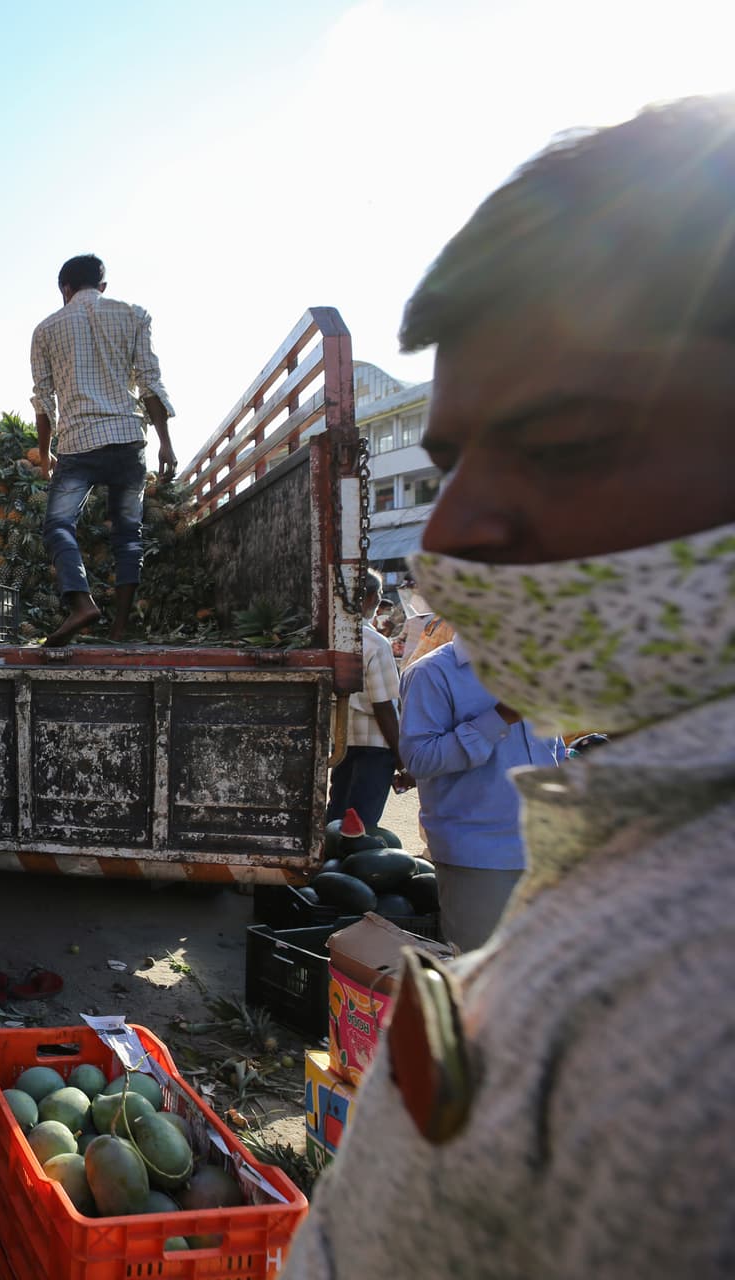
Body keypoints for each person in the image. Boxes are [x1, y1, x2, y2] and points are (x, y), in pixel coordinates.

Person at [280, 95, 735, 1280]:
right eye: (448, 463)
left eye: (571, 442)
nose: (459, 529)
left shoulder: (697, 1008)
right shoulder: (638, 828)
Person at [31, 254, 178, 645]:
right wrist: (165, 444)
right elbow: (150, 384)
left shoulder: (46, 329)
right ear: (103, 287)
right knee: (129, 534)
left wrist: (45, 455)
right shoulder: (134, 314)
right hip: (130, 441)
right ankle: (119, 628)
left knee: (59, 525)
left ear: (65, 289)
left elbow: (43, 402)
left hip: (79, 444)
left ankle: (82, 603)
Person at [396, 638, 563, 948]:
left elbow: (551, 748)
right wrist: (498, 719)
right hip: (478, 855)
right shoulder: (432, 672)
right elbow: (420, 759)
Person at [324, 570, 401, 831]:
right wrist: (404, 758)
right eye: (378, 596)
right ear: (369, 598)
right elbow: (385, 708)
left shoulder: (326, 637)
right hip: (375, 748)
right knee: (360, 827)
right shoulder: (374, 643)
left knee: (336, 823)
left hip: (342, 745)